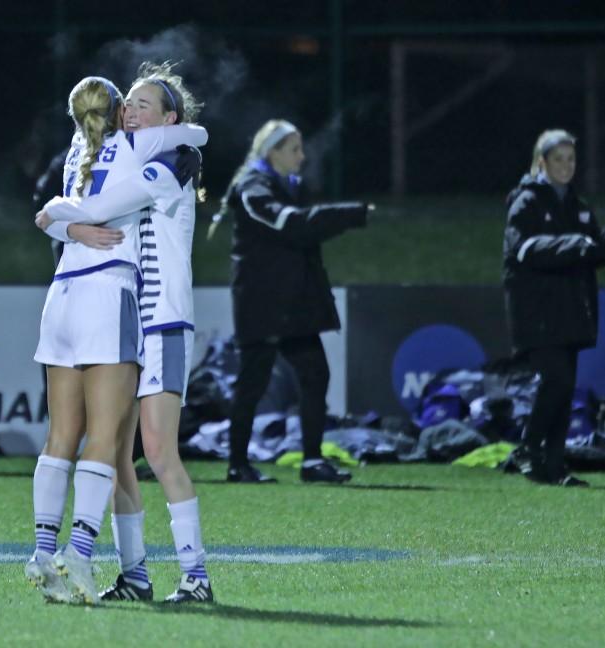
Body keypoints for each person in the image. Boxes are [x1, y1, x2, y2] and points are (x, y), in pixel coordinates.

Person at [25, 76, 207, 606]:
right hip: (127, 318)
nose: (132, 113)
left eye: (145, 106)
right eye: (130, 104)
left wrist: (61, 221)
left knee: (157, 449)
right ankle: (135, 575)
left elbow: (109, 203)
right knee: (121, 456)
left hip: (163, 319)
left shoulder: (173, 160)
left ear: (169, 118)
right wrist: (64, 225)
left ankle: (196, 575)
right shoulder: (120, 149)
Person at [219, 119, 369, 484]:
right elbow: (293, 226)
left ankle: (312, 461)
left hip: (288, 305)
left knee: (315, 375)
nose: (302, 157)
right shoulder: (253, 187)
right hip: (263, 303)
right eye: (294, 149)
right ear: (272, 153)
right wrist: (351, 214)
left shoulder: (285, 186)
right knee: (252, 384)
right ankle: (238, 465)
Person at [503, 129, 605, 487]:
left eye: (571, 159)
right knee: (556, 381)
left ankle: (555, 464)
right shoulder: (526, 202)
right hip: (537, 312)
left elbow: (597, 251)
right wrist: (574, 244)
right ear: (541, 162)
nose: (566, 166)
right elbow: (525, 249)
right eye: (558, 159)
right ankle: (528, 448)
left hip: (573, 311)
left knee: (564, 389)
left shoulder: (578, 207)